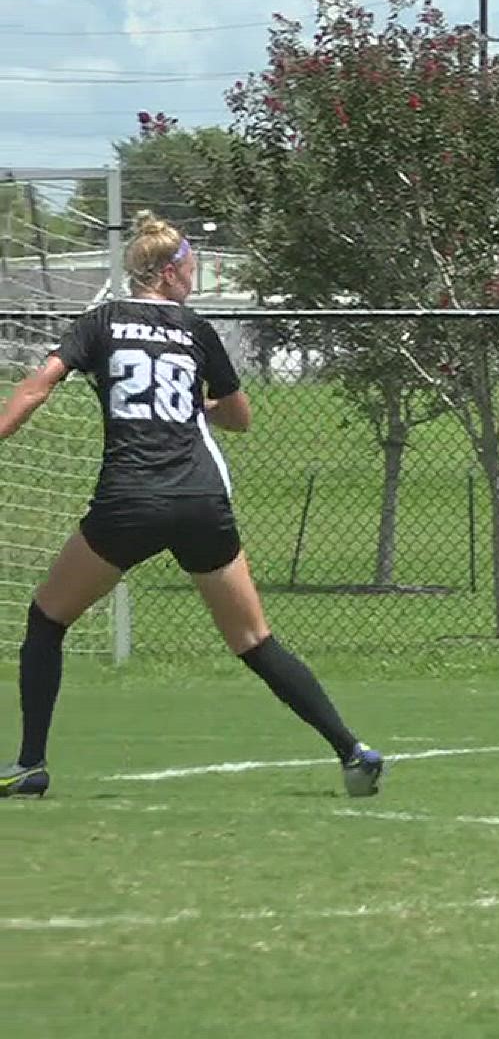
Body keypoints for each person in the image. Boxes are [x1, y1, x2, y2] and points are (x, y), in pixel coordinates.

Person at [0, 213, 386, 798]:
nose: (193, 276)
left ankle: (30, 764)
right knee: (254, 640)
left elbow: (37, 386)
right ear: (167, 270)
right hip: (200, 497)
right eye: (188, 266)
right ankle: (352, 751)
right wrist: (191, 410)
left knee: (47, 619)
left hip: (131, 498)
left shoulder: (100, 321)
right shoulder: (197, 331)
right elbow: (240, 417)